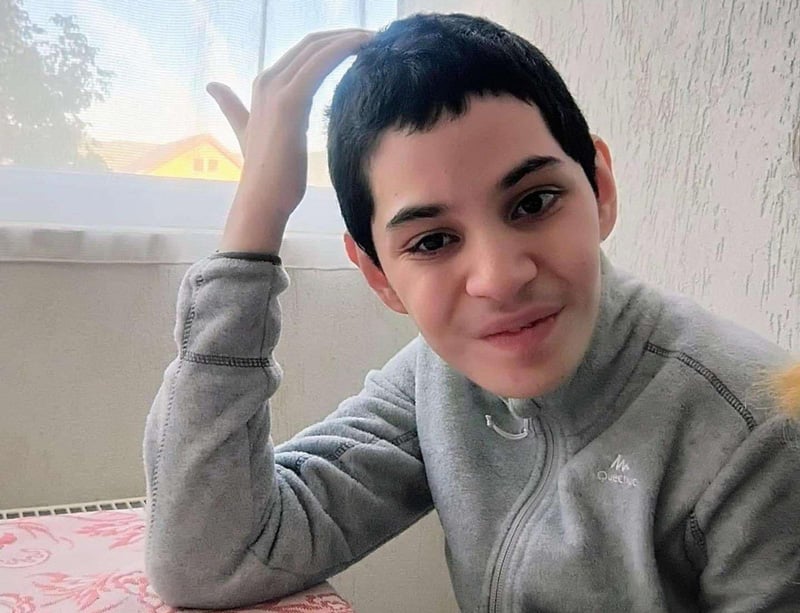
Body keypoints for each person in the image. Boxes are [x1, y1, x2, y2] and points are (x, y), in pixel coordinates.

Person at [143, 13, 800, 612]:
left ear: (599, 188)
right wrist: (256, 217)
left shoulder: (759, 435)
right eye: (432, 241)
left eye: (534, 202)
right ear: (379, 276)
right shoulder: (439, 380)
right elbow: (211, 559)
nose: (499, 278)